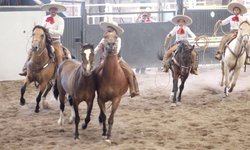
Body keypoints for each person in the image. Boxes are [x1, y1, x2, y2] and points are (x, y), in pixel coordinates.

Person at [19, 1, 66, 76]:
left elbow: (60, 32)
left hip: (55, 42)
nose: (53, 11)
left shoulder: (60, 19)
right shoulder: (45, 18)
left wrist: (49, 30)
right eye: (51, 9)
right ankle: (25, 68)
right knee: (31, 51)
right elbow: (41, 29)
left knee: (59, 55)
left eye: (54, 9)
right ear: (49, 10)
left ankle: (60, 73)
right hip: (45, 41)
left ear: (57, 10)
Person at [94, 21, 139, 98]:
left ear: (114, 31)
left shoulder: (118, 39)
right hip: (105, 60)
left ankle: (133, 90)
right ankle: (92, 88)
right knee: (94, 73)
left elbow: (117, 50)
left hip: (117, 59)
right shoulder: (104, 39)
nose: (108, 31)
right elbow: (98, 47)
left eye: (110, 30)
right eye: (108, 30)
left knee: (130, 72)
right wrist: (93, 53)